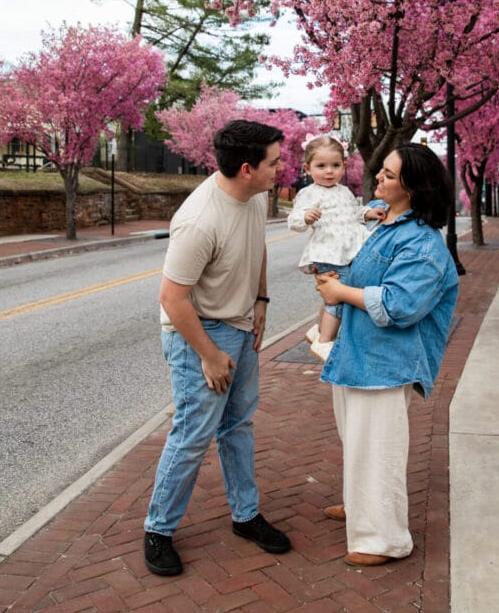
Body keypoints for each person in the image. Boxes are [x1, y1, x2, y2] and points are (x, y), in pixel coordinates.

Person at [143, 119, 292, 577]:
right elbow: (171, 297)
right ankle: (158, 530)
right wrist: (208, 354)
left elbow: (258, 248)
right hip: (200, 335)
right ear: (247, 168)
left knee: (239, 425)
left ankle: (245, 515)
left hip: (242, 326)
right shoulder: (199, 220)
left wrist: (261, 300)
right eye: (274, 161)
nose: (281, 168)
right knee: (192, 434)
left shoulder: (255, 196)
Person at [315, 143, 459, 567]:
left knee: (378, 448)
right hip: (358, 355)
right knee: (358, 441)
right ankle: (360, 506)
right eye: (382, 169)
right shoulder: (387, 224)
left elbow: (400, 305)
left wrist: (340, 291)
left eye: (390, 174)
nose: (378, 176)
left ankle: (384, 538)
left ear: (413, 188)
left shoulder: (422, 244)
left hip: (386, 362)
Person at [287, 134, 385, 360]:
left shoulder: (344, 191)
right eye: (321, 166)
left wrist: (368, 213)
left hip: (346, 252)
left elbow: (353, 213)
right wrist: (306, 217)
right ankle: (324, 341)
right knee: (338, 297)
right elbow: (294, 220)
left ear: (344, 166)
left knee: (332, 296)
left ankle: (318, 330)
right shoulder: (309, 193)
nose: (329, 171)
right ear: (307, 168)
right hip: (328, 253)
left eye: (335, 165)